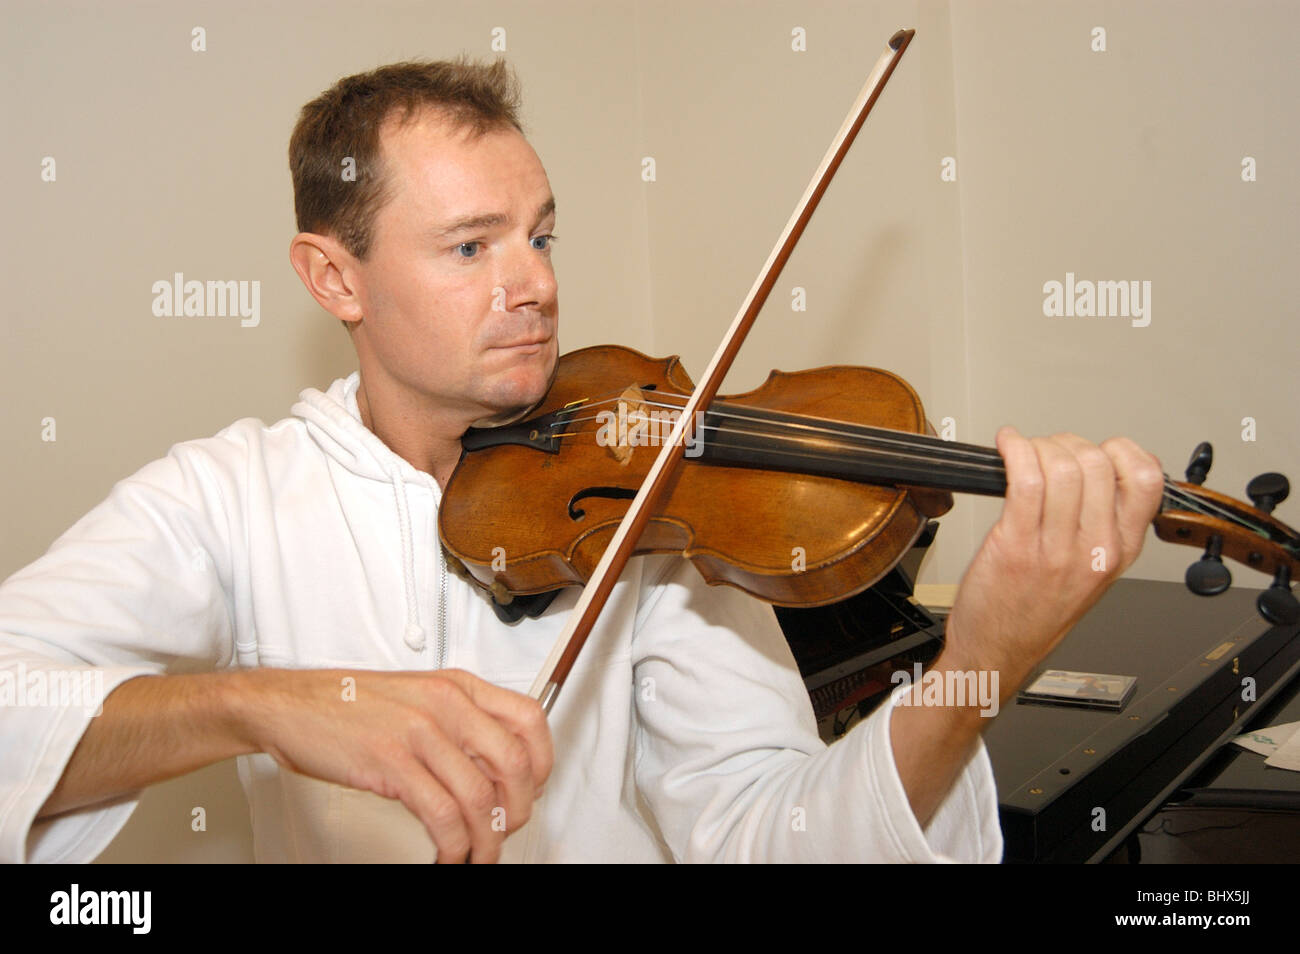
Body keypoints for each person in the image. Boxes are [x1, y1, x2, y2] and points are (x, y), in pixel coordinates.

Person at [0, 57, 1165, 863]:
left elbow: (782, 833)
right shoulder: (230, 498)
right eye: (471, 245)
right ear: (333, 278)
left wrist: (976, 673)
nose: (537, 284)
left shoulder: (646, 500)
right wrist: (262, 705)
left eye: (541, 233)